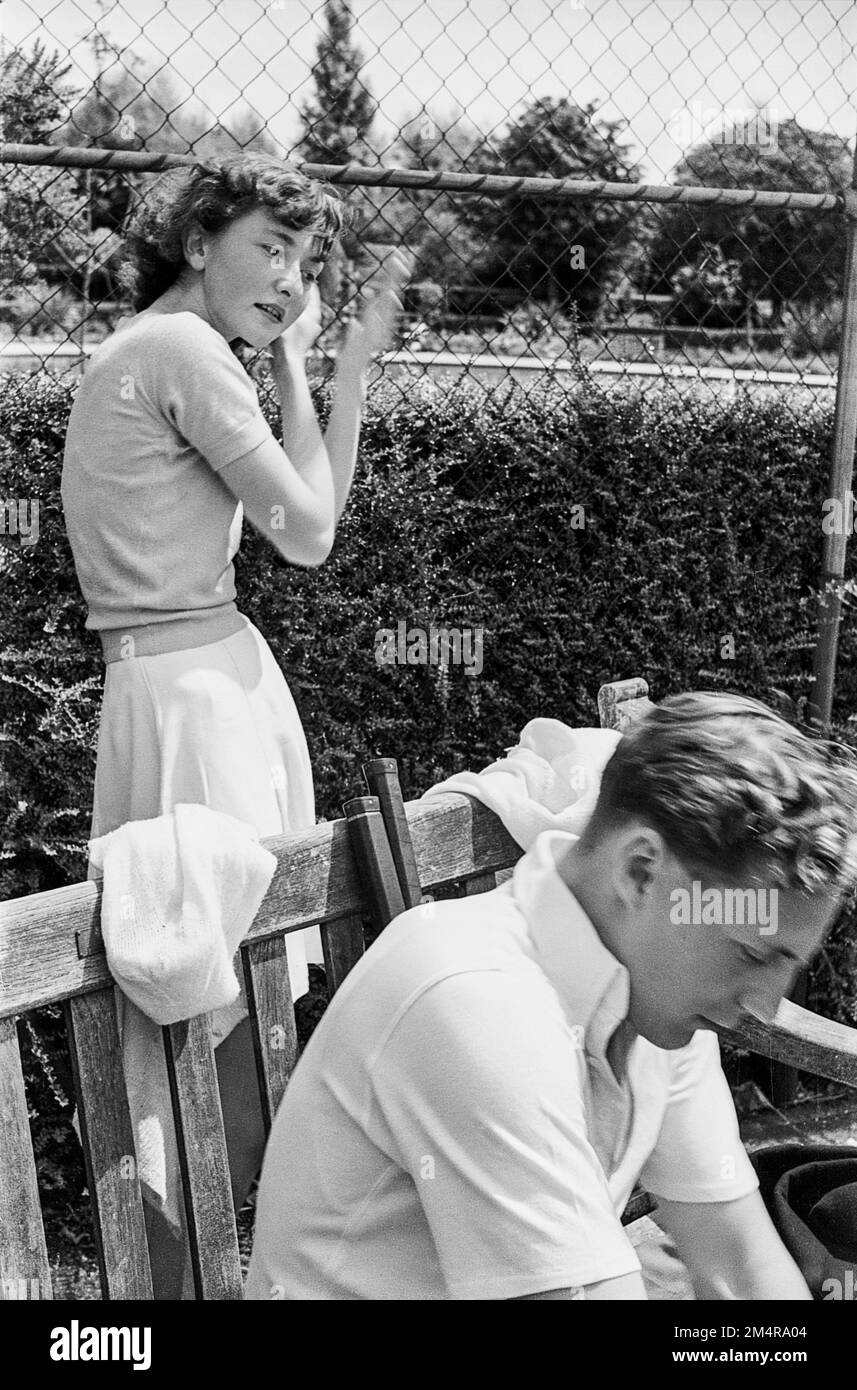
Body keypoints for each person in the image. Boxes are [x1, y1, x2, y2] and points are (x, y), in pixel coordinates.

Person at [60, 152, 409, 1297]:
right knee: (206, 1026)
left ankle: (188, 1281)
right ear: (198, 238)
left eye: (305, 262)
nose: (287, 278)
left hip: (205, 682)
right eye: (269, 246)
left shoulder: (186, 351)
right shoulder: (175, 352)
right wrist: (340, 368)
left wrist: (312, 361)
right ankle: (171, 1288)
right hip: (192, 699)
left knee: (230, 1001)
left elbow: (302, 512)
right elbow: (308, 533)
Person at [245, 691, 857, 1300]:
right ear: (642, 871)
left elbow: (740, 1270)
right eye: (751, 953)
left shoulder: (654, 990)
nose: (766, 1006)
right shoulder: (476, 1004)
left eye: (786, 965)